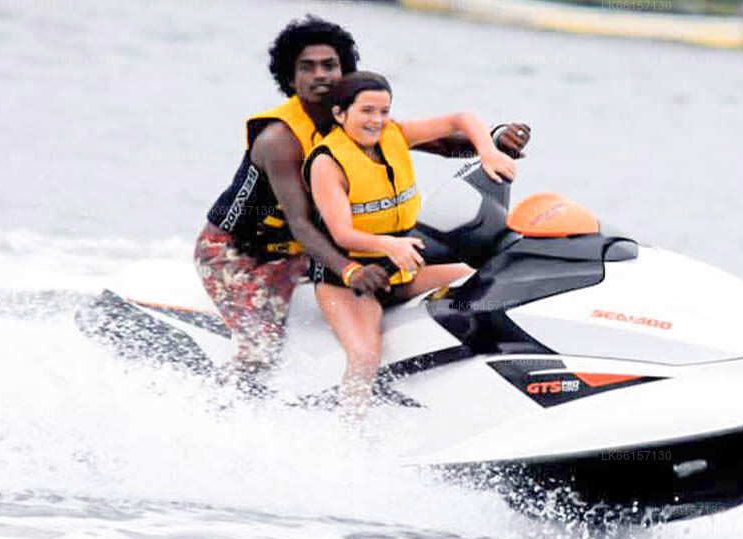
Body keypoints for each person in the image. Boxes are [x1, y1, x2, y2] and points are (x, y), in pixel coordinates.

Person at [194, 16, 531, 390]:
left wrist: (495, 142)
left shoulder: (355, 117)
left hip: (307, 251)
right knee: (262, 350)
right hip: (241, 254)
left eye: (330, 65)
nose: (320, 75)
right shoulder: (279, 140)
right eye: (307, 67)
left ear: (345, 71)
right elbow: (302, 224)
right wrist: (351, 271)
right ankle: (220, 404)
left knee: (469, 275)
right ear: (290, 77)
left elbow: (443, 144)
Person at [304, 71, 518, 412]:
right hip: (348, 282)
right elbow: (342, 233)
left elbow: (461, 119)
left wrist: (488, 152)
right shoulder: (327, 163)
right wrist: (391, 246)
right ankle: (349, 431)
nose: (377, 120)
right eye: (366, 111)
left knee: (484, 280)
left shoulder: (396, 135)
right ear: (340, 114)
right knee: (364, 356)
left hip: (400, 268)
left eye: (384, 111)